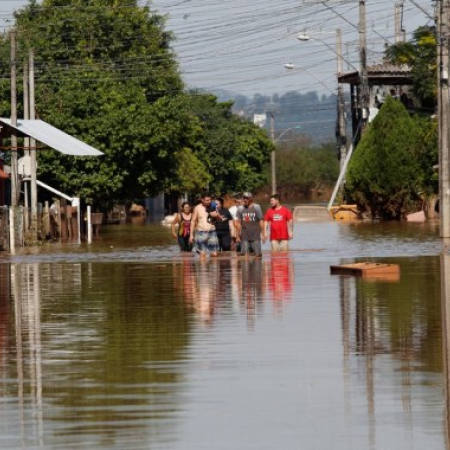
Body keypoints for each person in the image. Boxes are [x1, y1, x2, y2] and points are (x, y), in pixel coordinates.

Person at [189, 191, 219, 258]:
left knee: (214, 254)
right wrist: (191, 235)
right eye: (207, 200)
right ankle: (202, 268)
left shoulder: (214, 207)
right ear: (202, 200)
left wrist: (216, 215)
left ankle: (212, 268)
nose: (209, 201)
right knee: (202, 254)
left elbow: (219, 219)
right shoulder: (197, 208)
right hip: (201, 233)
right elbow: (193, 221)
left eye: (210, 200)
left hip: (212, 232)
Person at [235, 191, 265, 257]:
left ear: (251, 199)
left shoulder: (257, 207)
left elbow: (261, 221)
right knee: (244, 256)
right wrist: (237, 236)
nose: (245, 200)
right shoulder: (240, 208)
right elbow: (238, 223)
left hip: (256, 235)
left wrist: (263, 234)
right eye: (244, 198)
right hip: (244, 235)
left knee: (258, 256)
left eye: (247, 198)